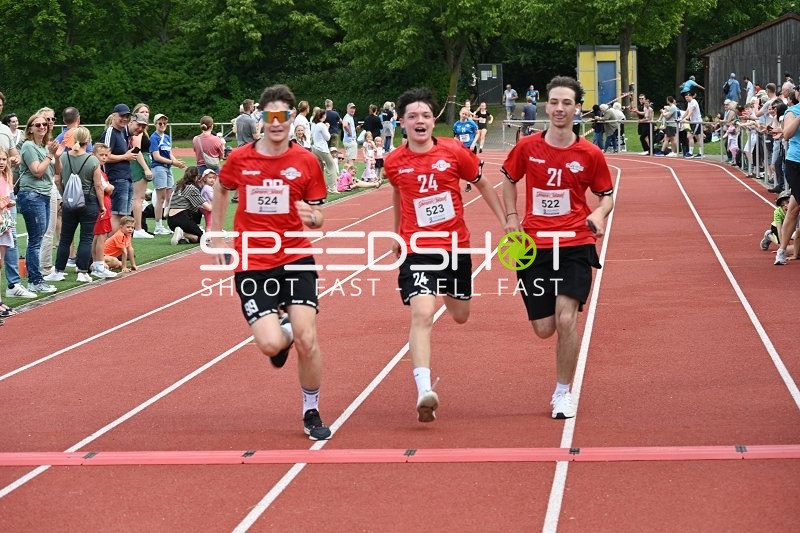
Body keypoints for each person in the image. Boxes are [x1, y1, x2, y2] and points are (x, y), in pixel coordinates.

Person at [210, 83, 332, 440]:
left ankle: (311, 410)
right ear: (261, 118)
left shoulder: (306, 161)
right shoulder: (240, 158)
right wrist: (218, 231)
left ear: (292, 118)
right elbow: (221, 187)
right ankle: (285, 332)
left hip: (295, 256)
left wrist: (314, 218)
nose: (277, 123)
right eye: (270, 116)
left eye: (283, 116)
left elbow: (319, 215)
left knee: (309, 340)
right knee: (269, 345)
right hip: (253, 261)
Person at [384, 87, 506, 423]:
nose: (419, 121)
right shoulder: (394, 161)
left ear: (433, 119)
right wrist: (397, 232)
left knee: (460, 313)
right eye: (412, 116)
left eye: (425, 115)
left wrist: (506, 222)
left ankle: (451, 291)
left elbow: (482, 184)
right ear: (402, 122)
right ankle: (424, 390)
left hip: (456, 247)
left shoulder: (454, 151)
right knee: (423, 312)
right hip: (417, 248)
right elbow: (398, 195)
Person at [501, 75, 614, 419]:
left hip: (575, 244)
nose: (560, 108)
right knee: (544, 328)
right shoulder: (527, 147)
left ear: (577, 108)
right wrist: (510, 216)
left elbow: (606, 196)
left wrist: (598, 214)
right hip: (533, 246)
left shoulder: (590, 153)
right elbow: (508, 178)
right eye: (554, 102)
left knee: (567, 319)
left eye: (567, 102)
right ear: (546, 106)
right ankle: (561, 380)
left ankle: (563, 391)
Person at [50, 127, 104, 283]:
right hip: (88, 201)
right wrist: (102, 205)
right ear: (87, 141)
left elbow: (58, 180)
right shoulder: (92, 160)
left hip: (69, 202)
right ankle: (82, 271)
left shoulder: (65, 157)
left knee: (65, 238)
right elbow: (98, 186)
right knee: (86, 238)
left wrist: (64, 194)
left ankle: (58, 270)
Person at [18, 113, 63, 294]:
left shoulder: (45, 147)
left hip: (44, 194)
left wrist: (57, 156)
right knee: (35, 240)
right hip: (32, 195)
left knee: (40, 237)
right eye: (37, 125)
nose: (42, 127)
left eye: (44, 124)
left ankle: (37, 279)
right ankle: (35, 280)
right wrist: (50, 155)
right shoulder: (29, 146)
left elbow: (57, 172)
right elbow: (37, 171)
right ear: (30, 128)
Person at [150, 112, 188, 235]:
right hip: (159, 168)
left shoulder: (166, 137)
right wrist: (173, 162)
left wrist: (177, 162)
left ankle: (167, 223)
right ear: (155, 124)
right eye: (160, 123)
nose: (162, 125)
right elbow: (156, 156)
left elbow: (169, 152)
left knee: (169, 197)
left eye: (164, 123)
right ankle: (158, 225)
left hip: (167, 168)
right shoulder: (153, 138)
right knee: (160, 198)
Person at [775, 89, 800, 265]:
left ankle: (781, 251)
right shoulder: (793, 111)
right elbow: (787, 134)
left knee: (793, 210)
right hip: (796, 163)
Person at [89, 143, 117, 279]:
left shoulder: (100, 170)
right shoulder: (97, 171)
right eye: (101, 155)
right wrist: (111, 187)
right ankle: (99, 264)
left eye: (106, 155)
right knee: (101, 237)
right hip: (102, 206)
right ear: (94, 155)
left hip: (103, 205)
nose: (104, 158)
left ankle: (96, 263)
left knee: (98, 235)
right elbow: (107, 188)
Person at [166, 166, 209, 245]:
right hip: (182, 218)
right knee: (203, 238)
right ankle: (183, 233)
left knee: (196, 236)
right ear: (196, 177)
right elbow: (209, 208)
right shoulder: (191, 188)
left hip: (170, 220)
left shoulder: (177, 184)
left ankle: (182, 234)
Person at [0, 147, 17, 321]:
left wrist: (8, 202)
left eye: (4, 159)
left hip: (4, 225)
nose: (1, 162)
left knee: (0, 263)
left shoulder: (6, 177)